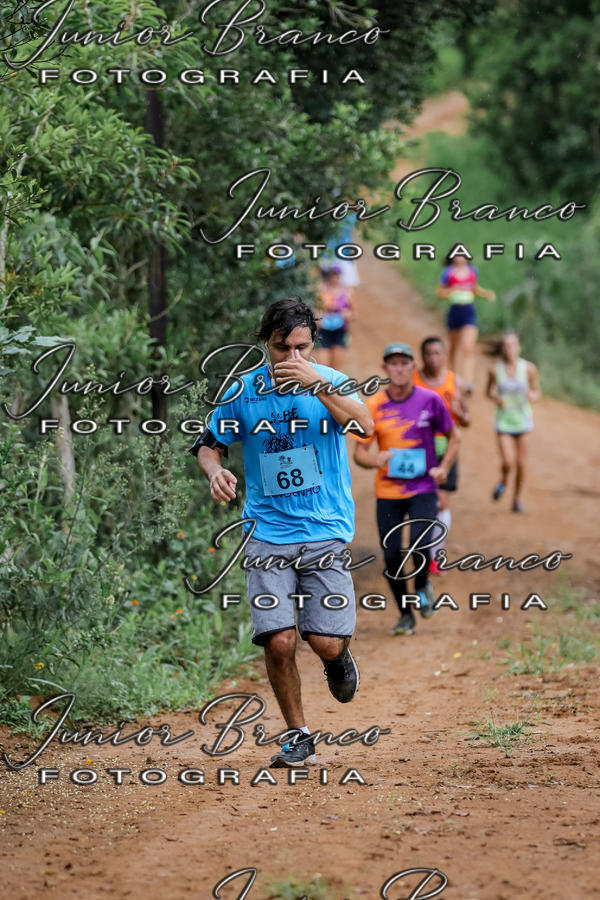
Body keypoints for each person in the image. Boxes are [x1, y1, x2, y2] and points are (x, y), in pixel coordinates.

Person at [190, 297, 374, 768]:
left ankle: (337, 659)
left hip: (326, 528)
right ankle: (300, 736)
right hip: (267, 532)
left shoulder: (329, 381)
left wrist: (319, 387)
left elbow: (366, 426)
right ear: (265, 344)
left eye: (303, 347)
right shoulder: (244, 391)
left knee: (326, 640)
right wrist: (213, 472)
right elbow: (209, 445)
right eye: (282, 347)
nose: (293, 358)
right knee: (278, 639)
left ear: (313, 345)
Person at [353, 342, 460, 636]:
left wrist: (444, 467)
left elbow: (455, 437)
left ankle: (423, 582)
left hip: (423, 488)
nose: (399, 368)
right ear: (384, 368)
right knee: (390, 557)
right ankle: (405, 614)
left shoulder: (430, 400)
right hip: (387, 492)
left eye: (404, 363)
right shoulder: (373, 406)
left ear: (413, 367)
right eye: (393, 363)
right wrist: (374, 458)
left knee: (419, 544)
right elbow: (359, 454)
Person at [413, 336, 470, 575]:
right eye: (429, 353)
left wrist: (459, 411)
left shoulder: (455, 382)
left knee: (442, 502)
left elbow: (467, 420)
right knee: (420, 502)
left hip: (447, 448)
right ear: (422, 356)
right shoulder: (413, 380)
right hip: (416, 448)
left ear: (445, 355)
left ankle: (433, 556)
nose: (433, 358)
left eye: (438, 353)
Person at [486, 331, 541, 513]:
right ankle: (503, 480)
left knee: (522, 464)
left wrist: (531, 396)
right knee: (508, 462)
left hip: (523, 422)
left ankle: (516, 499)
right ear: (502, 348)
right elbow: (488, 392)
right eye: (506, 345)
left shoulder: (528, 369)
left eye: (513, 345)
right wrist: (495, 398)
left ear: (519, 347)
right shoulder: (495, 370)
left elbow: (537, 391)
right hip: (504, 422)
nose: (510, 349)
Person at [435, 248, 495, 394]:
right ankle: (453, 379)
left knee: (468, 347)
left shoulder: (472, 271)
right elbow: (439, 293)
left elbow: (474, 288)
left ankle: (468, 383)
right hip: (455, 310)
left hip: (469, 310)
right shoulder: (448, 272)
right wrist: (451, 290)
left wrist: (485, 294)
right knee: (454, 348)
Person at [315, 266, 355, 370]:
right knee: (322, 368)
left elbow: (355, 314)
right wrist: (317, 318)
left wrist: (348, 315)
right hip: (324, 330)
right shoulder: (321, 291)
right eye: (332, 275)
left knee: (336, 369)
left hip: (340, 331)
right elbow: (315, 310)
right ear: (329, 276)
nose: (334, 278)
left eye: (336, 275)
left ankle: (333, 386)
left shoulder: (347, 293)